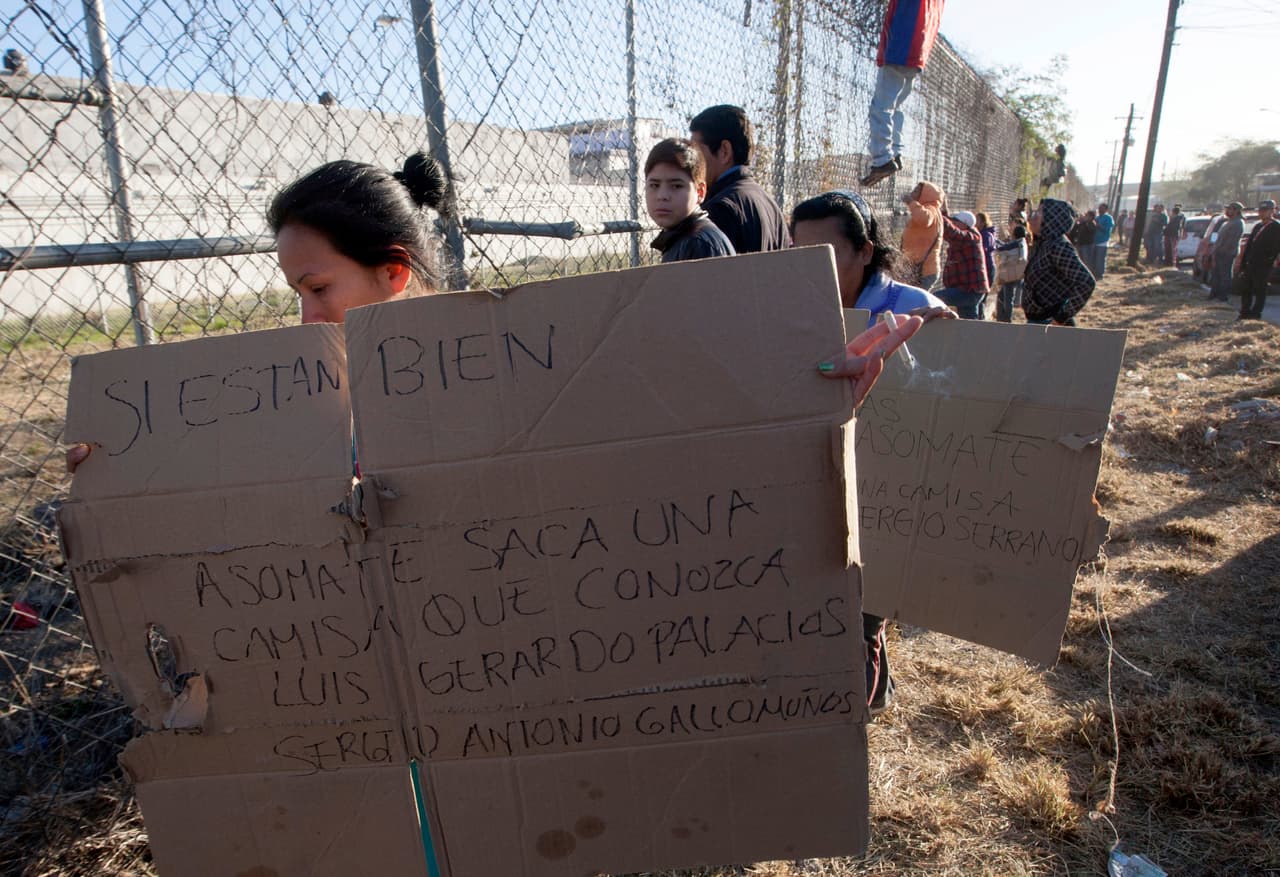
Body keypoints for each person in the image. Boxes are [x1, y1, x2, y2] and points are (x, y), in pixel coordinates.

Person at [68, 153, 921, 475]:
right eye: (294, 289)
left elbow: (653, 437)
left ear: (393, 272)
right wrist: (131, 468)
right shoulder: (314, 386)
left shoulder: (504, 361)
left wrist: (815, 398)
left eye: (317, 287)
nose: (303, 314)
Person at [792, 188, 951, 716]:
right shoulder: (788, 311)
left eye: (826, 254)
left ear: (864, 250)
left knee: (863, 610)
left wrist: (938, 337)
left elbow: (957, 393)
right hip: (817, 481)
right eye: (797, 256)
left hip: (888, 489)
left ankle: (861, 710)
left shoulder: (914, 308)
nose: (809, 269)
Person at [860, 0, 946, 186]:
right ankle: (895, 152)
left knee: (881, 106)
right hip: (918, 51)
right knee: (896, 106)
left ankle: (882, 158)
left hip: (900, 45)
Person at [688, 105, 790, 253]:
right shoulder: (769, 203)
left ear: (724, 151)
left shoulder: (720, 209)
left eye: (697, 151)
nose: (694, 162)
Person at [643, 138, 735, 263]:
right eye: (654, 185)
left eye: (676, 186)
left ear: (700, 192)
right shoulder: (683, 238)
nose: (662, 196)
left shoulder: (699, 245)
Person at [1023, 198, 1096, 326]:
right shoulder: (1044, 243)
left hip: (1051, 325)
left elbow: (1086, 282)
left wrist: (1061, 317)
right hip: (1038, 321)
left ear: (1051, 219)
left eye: (1039, 213)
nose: (1033, 216)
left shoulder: (1058, 246)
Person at [935, 194, 990, 319]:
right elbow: (950, 225)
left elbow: (951, 231)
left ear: (964, 225)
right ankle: (973, 338)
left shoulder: (970, 238)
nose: (953, 222)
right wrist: (943, 208)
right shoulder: (969, 236)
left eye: (956, 221)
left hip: (968, 291)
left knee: (933, 299)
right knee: (969, 322)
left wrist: (935, 212)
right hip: (968, 290)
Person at [1234, 199, 1280, 320]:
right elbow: (1249, 246)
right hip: (1250, 263)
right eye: (1260, 210)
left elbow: (1275, 248)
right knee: (1246, 289)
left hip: (1263, 265)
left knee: (1260, 290)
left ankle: (1256, 313)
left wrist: (1268, 261)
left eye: (1265, 210)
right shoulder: (1258, 226)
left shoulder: (1276, 227)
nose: (1262, 213)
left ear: (1272, 211)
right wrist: (1243, 263)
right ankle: (1245, 312)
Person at [901, 181, 944, 289]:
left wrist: (911, 202)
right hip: (921, 268)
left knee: (913, 303)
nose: (912, 193)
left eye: (916, 191)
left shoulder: (931, 209)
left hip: (924, 270)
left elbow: (925, 219)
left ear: (925, 194)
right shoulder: (926, 208)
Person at [1209, 202, 1245, 302]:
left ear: (1236, 211)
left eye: (1230, 209)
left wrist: (1221, 250)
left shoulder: (1238, 223)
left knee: (1225, 275)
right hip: (1219, 252)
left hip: (1227, 253)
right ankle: (1214, 294)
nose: (1227, 211)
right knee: (1216, 274)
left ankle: (1223, 296)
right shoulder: (1228, 222)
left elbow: (1231, 241)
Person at [993, 221, 1028, 323]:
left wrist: (993, 240)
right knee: (1004, 296)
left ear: (1015, 234)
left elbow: (1002, 248)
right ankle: (1003, 317)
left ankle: (1007, 319)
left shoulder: (1016, 243)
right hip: (1015, 273)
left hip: (1010, 274)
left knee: (1008, 297)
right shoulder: (1022, 242)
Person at [1092, 203, 1115, 278]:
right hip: (1095, 241)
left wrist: (1098, 226)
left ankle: (1100, 273)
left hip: (1102, 241)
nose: (1099, 209)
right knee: (1094, 258)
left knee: (1100, 259)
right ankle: (1095, 272)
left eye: (1101, 208)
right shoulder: (1097, 217)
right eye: (1099, 208)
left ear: (1106, 209)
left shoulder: (1108, 218)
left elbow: (1107, 229)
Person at [976, 212, 997, 287]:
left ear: (982, 223)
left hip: (987, 268)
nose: (975, 222)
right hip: (983, 267)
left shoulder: (986, 235)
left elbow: (983, 250)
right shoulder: (980, 233)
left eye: (977, 220)